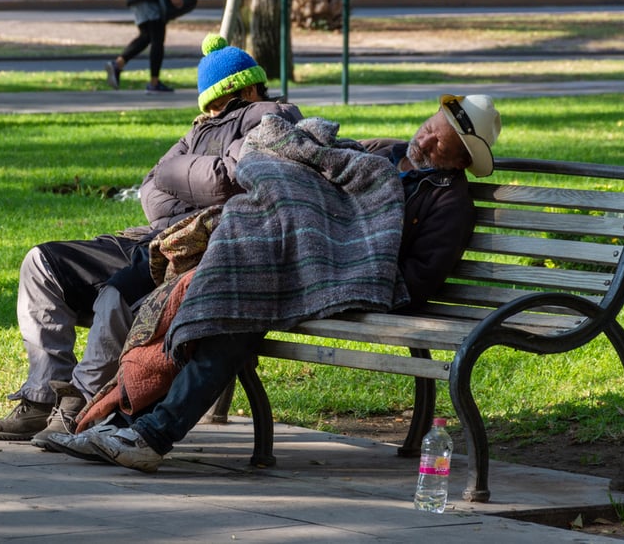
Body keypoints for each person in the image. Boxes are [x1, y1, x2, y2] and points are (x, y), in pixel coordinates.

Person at [48, 94, 503, 472]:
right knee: (224, 289)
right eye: (427, 127)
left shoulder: (450, 203)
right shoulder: (383, 152)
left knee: (242, 307)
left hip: (347, 279)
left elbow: (418, 279)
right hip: (289, 254)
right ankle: (134, 424)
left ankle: (148, 431)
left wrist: (343, 253)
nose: (423, 139)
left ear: (461, 158)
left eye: (438, 142)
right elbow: (311, 174)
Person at [0, 34, 303, 447]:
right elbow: (152, 195)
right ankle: (44, 395)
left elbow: (228, 179)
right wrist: (183, 176)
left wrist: (175, 174)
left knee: (117, 296)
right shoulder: (199, 129)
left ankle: (78, 402)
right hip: (153, 235)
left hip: (197, 246)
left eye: (228, 96)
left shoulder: (270, 117)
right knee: (41, 264)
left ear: (252, 87)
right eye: (213, 102)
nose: (218, 108)